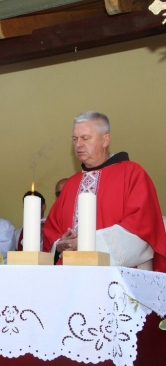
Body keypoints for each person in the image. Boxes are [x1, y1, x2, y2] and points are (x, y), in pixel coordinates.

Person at [43, 111, 166, 271]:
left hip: (117, 278)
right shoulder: (70, 184)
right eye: (75, 139)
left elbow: (142, 227)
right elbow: (52, 232)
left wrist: (87, 243)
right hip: (70, 277)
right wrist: (60, 245)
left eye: (85, 138)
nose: (78, 144)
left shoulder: (131, 173)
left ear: (105, 140)